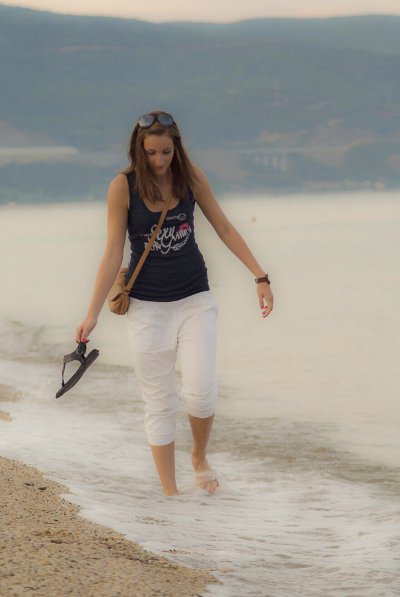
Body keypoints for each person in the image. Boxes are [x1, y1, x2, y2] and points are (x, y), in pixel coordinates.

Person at [75, 111, 273, 496]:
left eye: (166, 151)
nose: (160, 161)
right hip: (147, 308)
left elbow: (224, 226)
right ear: (139, 149)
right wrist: (91, 313)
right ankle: (172, 497)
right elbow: (113, 251)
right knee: (158, 401)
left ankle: (199, 456)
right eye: (151, 153)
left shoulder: (190, 176)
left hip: (194, 298)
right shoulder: (122, 187)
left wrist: (260, 276)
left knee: (200, 389)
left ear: (176, 147)